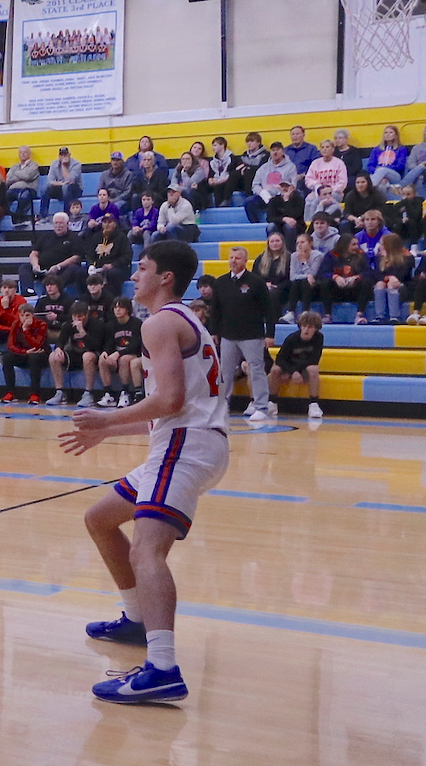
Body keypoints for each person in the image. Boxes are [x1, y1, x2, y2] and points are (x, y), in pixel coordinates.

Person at [63, 240, 229, 704]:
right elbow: (172, 407)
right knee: (100, 519)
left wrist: (106, 417)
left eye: (143, 267)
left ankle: (162, 668)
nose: (134, 275)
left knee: (147, 551)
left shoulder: (159, 322)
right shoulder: (183, 319)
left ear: (165, 278)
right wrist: (107, 431)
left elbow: (170, 401)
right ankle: (137, 620)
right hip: (189, 441)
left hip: (186, 445)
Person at [213, 246, 274, 422]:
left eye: (237, 258)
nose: (233, 261)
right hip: (228, 335)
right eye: (231, 257)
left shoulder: (256, 282)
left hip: (252, 335)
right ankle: (223, 405)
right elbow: (216, 309)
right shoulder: (221, 282)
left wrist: (270, 333)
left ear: (245, 261)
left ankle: (261, 406)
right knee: (225, 372)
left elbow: (269, 310)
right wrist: (214, 332)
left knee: (256, 370)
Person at [269, 312, 325, 419]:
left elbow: (314, 360)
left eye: (310, 327)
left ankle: (314, 404)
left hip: (304, 368)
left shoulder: (319, 338)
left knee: (313, 369)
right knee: (275, 369)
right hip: (290, 367)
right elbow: (280, 359)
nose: (306, 330)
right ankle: (272, 402)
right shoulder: (292, 339)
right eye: (304, 326)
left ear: (316, 328)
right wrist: (292, 372)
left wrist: (297, 372)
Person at [49, 300, 101, 408]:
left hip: (93, 354)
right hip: (75, 354)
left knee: (87, 356)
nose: (77, 319)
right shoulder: (68, 324)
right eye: (74, 316)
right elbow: (60, 341)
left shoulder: (96, 324)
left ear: (86, 315)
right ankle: (60, 392)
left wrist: (82, 331)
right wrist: (58, 349)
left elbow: (96, 346)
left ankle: (89, 393)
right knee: (53, 356)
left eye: (80, 316)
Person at [96, 297, 144, 406]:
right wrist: (106, 352)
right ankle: (108, 394)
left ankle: (125, 393)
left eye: (121, 307)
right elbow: (109, 343)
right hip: (116, 357)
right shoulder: (110, 325)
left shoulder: (136, 323)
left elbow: (136, 346)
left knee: (124, 359)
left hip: (133, 355)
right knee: (102, 359)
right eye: (115, 307)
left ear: (127, 309)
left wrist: (118, 354)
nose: (117, 310)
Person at [0, 304, 51, 404]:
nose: (24, 318)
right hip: (24, 354)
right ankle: (10, 392)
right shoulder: (15, 324)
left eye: (27, 315)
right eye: (22, 315)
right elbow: (11, 345)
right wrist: (24, 352)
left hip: (41, 356)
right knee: (7, 357)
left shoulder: (42, 324)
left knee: (34, 357)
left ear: (32, 315)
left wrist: (26, 330)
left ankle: (35, 394)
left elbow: (37, 344)